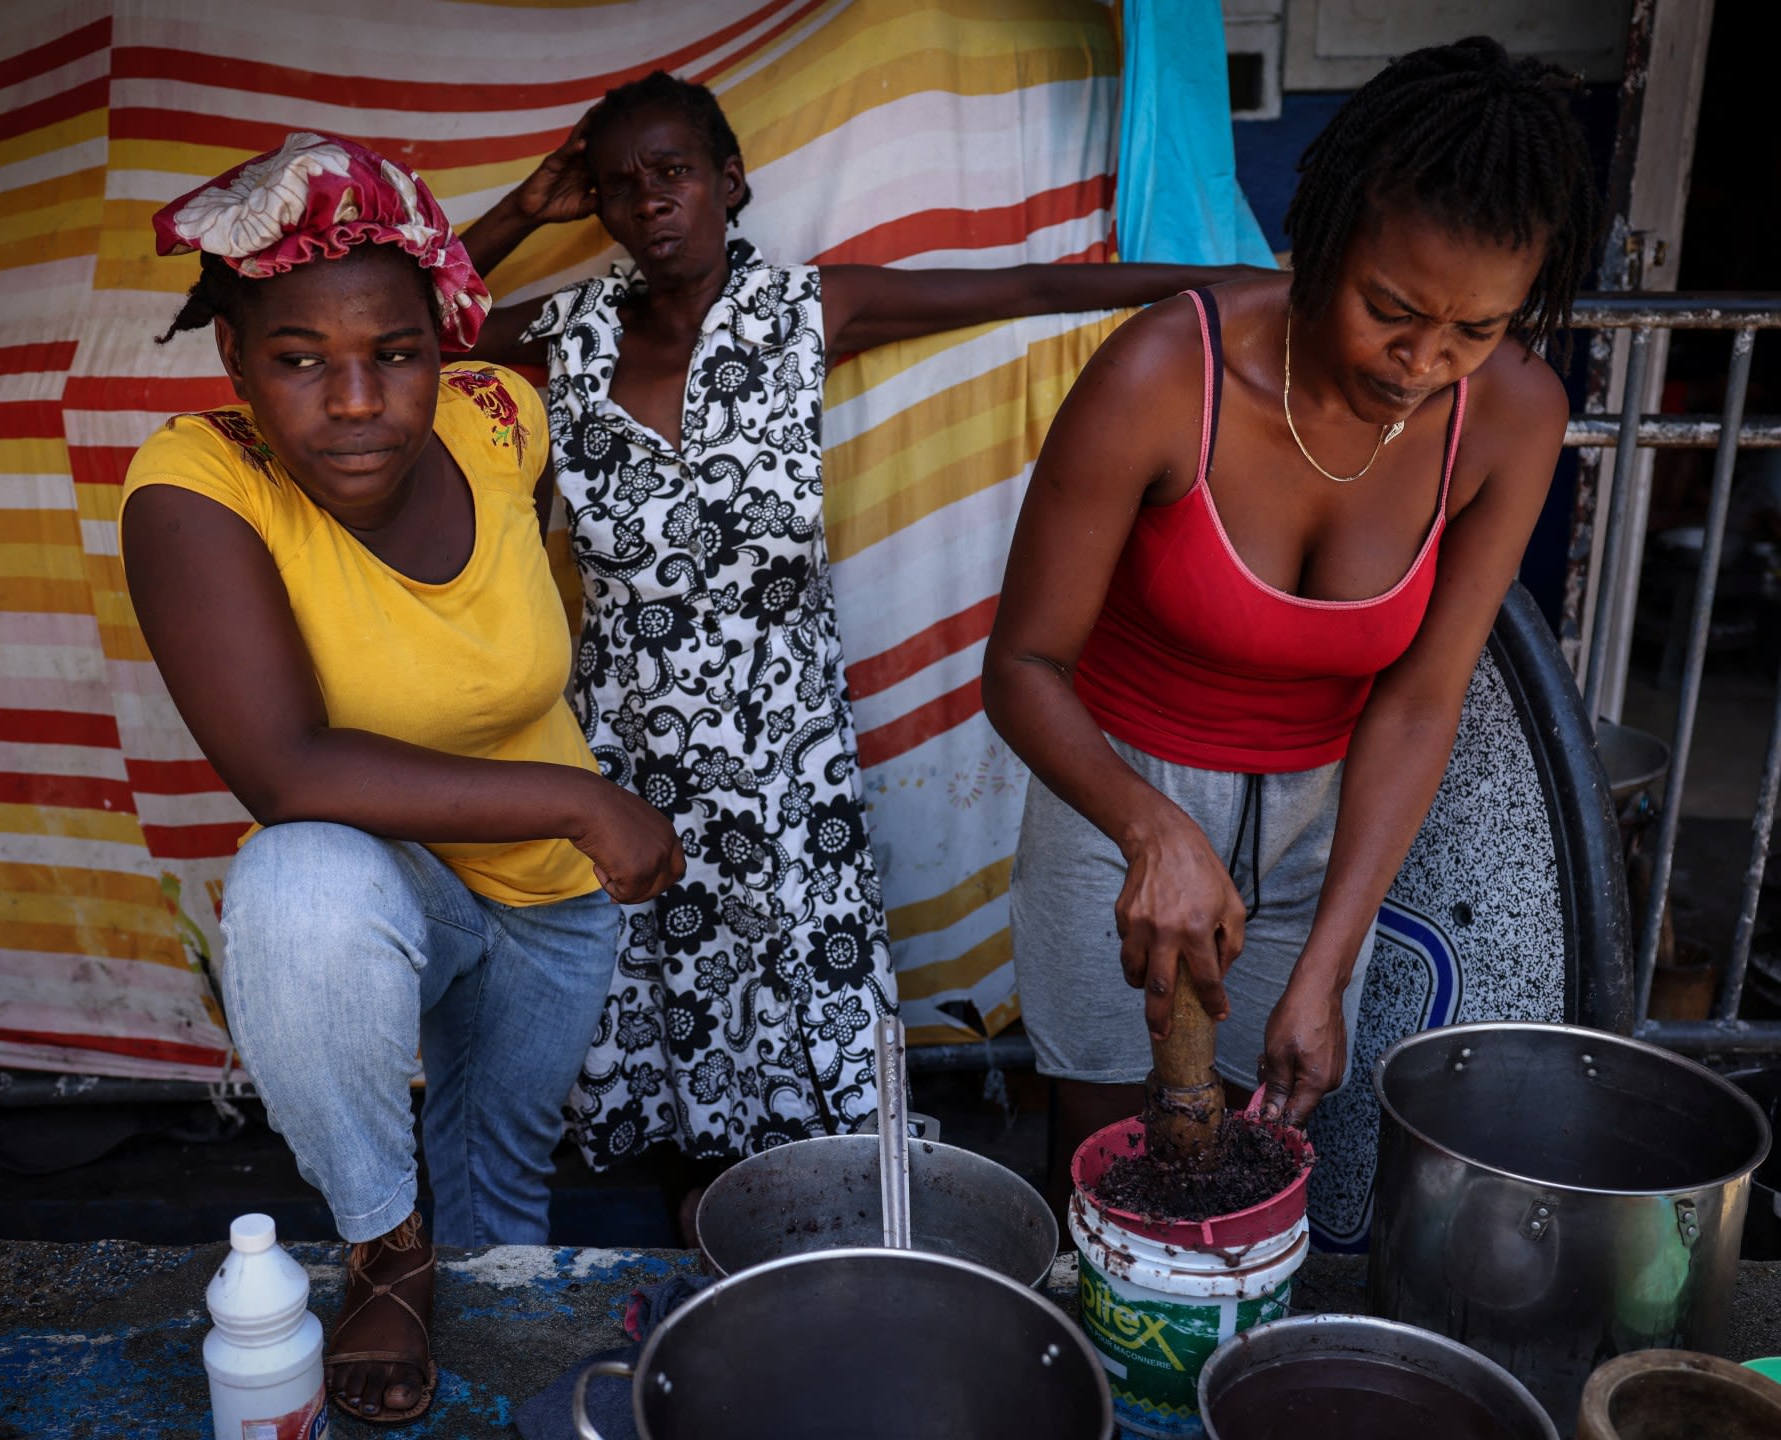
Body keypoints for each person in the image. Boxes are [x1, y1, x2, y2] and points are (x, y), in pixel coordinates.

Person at [459, 71, 1246, 1185]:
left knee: (803, 1005)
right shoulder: (570, 337)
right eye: (620, 185)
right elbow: (404, 329)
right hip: (626, 749)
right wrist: (523, 212)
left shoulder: (806, 311)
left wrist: (1243, 289)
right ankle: (695, 1197)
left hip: (789, 754)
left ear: (730, 183)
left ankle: (793, 1202)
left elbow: (1029, 287)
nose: (651, 203)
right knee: (656, 991)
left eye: (675, 172)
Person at [120, 132, 684, 1424]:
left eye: (397, 357)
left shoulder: (499, 420)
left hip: (553, 902)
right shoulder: (198, 482)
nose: (357, 400)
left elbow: (396, 318)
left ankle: (502, 1346)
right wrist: (581, 798)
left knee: (506, 1204)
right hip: (409, 883)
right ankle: (385, 1244)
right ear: (235, 364)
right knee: (298, 882)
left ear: (443, 351)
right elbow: (285, 767)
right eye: (297, 362)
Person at [980, 36, 1598, 1213]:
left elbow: (1421, 702)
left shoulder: (1515, 417)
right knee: (1111, 1153)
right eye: (1390, 310)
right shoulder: (1165, 373)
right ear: (1324, 233)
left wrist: (1331, 956)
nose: (1423, 364)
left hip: (1327, 821)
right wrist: (1150, 830)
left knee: (1258, 1168)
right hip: (1111, 793)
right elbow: (1022, 666)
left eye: (1474, 331)